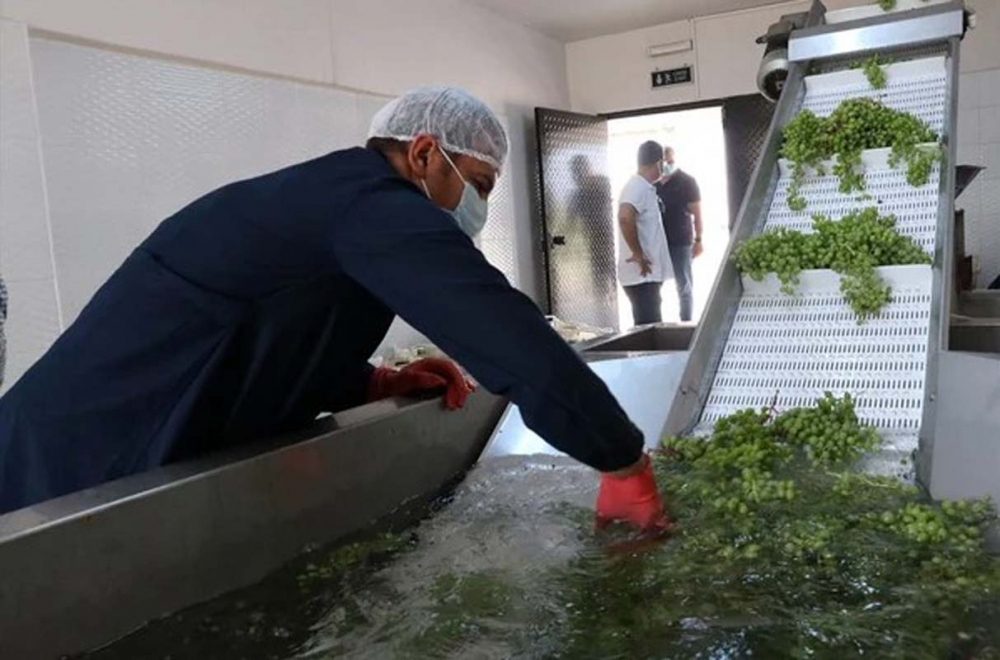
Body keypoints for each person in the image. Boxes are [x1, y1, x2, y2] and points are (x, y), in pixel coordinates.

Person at [0, 86, 669, 534]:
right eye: (479, 183)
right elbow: (504, 330)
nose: (479, 205)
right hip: (69, 466)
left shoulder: (335, 201)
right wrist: (621, 462)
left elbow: (258, 326)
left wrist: (365, 381)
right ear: (425, 152)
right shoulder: (372, 207)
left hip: (99, 445)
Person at [618, 140, 671, 326]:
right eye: (663, 163)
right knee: (649, 327)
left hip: (647, 274)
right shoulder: (637, 187)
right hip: (642, 274)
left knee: (650, 321)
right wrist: (638, 254)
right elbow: (625, 217)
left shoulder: (644, 187)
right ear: (658, 163)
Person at [656, 147, 703, 323]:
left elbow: (698, 214)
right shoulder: (654, 185)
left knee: (683, 285)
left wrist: (699, 239)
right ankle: (656, 323)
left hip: (681, 242)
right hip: (658, 242)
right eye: (663, 162)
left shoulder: (687, 181)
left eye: (669, 161)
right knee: (655, 286)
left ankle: (686, 323)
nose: (667, 165)